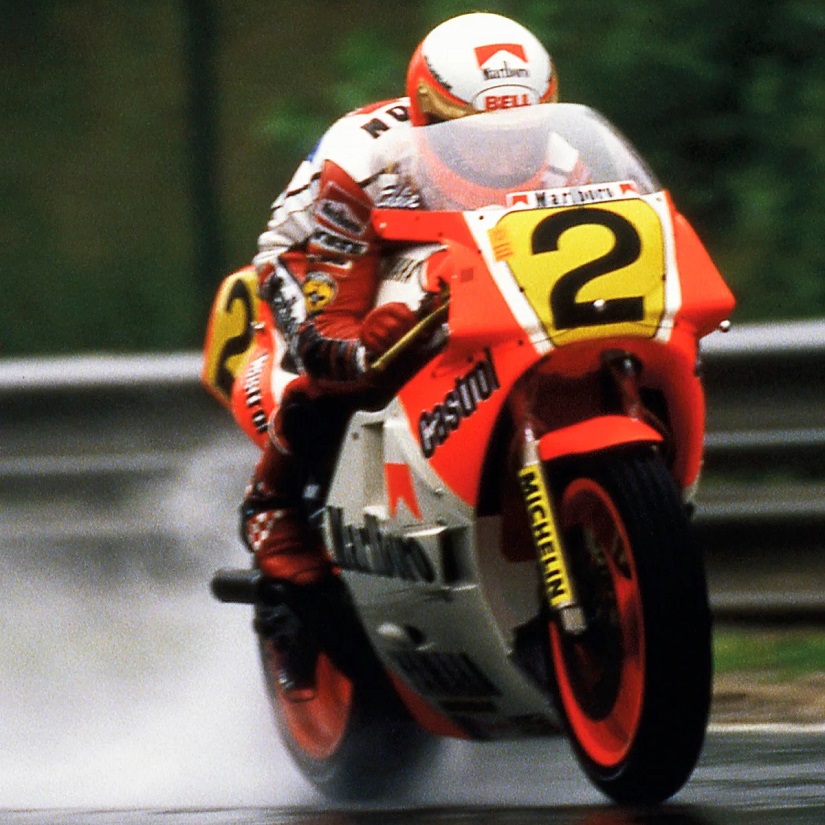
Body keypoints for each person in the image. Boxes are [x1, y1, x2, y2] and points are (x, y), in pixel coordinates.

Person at [238, 12, 577, 698]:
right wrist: (347, 344)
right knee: (352, 360)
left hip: (464, 262)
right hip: (323, 259)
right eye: (476, 137)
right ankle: (273, 508)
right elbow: (326, 310)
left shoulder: (568, 159)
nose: (502, 156)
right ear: (429, 115)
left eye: (521, 132)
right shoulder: (367, 160)